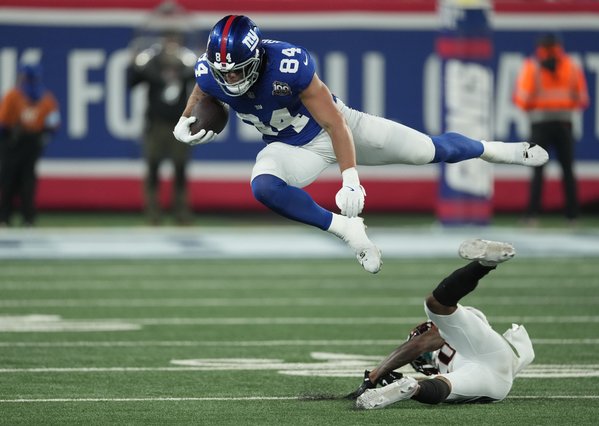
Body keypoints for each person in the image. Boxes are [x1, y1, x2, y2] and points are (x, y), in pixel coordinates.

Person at [173, 15, 549, 273]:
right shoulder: (211, 70)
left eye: (238, 69)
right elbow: (201, 91)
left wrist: (349, 177)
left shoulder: (288, 65)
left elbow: (334, 122)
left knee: (428, 150)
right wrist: (184, 119)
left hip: (341, 128)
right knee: (263, 186)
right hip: (290, 147)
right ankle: (348, 231)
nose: (231, 78)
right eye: (224, 71)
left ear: (256, 58)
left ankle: (497, 149)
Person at [349, 239, 535, 409]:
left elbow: (421, 344)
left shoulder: (443, 352)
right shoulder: (460, 334)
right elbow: (422, 341)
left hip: (492, 386)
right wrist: (375, 376)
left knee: (441, 385)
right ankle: (484, 265)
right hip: (494, 360)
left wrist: (377, 375)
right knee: (435, 304)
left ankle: (412, 388)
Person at [128, 1, 198, 225]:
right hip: (156, 123)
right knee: (153, 167)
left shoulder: (186, 63)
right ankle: (153, 212)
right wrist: (134, 63)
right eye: (168, 40)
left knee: (180, 169)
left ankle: (181, 211)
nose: (171, 45)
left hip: (180, 124)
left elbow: (200, 79)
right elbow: (132, 81)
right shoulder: (152, 62)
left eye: (175, 40)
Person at [513, 33, 589, 226]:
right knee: (567, 170)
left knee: (537, 169)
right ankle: (572, 216)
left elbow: (522, 100)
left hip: (540, 124)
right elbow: (582, 99)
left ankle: (532, 215)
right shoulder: (571, 66)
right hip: (564, 123)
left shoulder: (532, 67)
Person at [0, 63, 60, 227]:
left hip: (14, 141)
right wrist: (44, 136)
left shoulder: (13, 96)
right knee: (27, 180)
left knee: (10, 180)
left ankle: (6, 218)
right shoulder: (46, 98)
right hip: (31, 141)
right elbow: (54, 123)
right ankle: (27, 218)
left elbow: (3, 123)